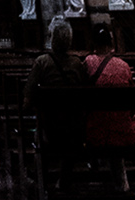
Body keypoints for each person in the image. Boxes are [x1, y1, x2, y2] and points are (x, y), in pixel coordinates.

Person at [24, 17, 89, 189]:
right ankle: (64, 178)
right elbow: (85, 91)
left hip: (49, 126)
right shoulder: (77, 64)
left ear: (52, 38)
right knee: (70, 133)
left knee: (41, 130)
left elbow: (28, 96)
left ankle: (42, 176)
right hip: (73, 126)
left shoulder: (42, 62)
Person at [81, 22, 135, 171]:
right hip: (123, 130)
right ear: (111, 42)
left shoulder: (88, 63)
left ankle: (96, 165)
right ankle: (120, 179)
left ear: (93, 42)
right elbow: (133, 102)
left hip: (96, 132)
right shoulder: (123, 66)